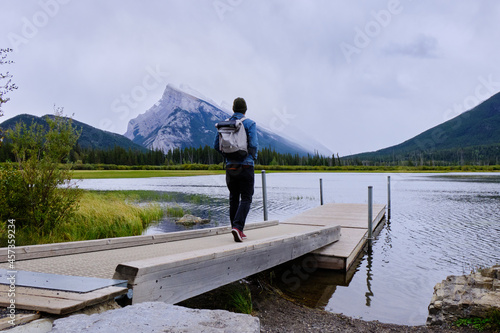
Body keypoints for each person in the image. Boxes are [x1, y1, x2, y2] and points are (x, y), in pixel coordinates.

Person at [214, 97, 258, 242]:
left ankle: (236, 227)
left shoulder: (224, 124)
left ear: (233, 109)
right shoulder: (250, 124)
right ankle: (238, 227)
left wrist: (228, 157)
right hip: (246, 165)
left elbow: (216, 145)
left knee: (234, 197)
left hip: (230, 166)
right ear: (245, 109)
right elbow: (254, 145)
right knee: (246, 197)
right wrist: (251, 157)